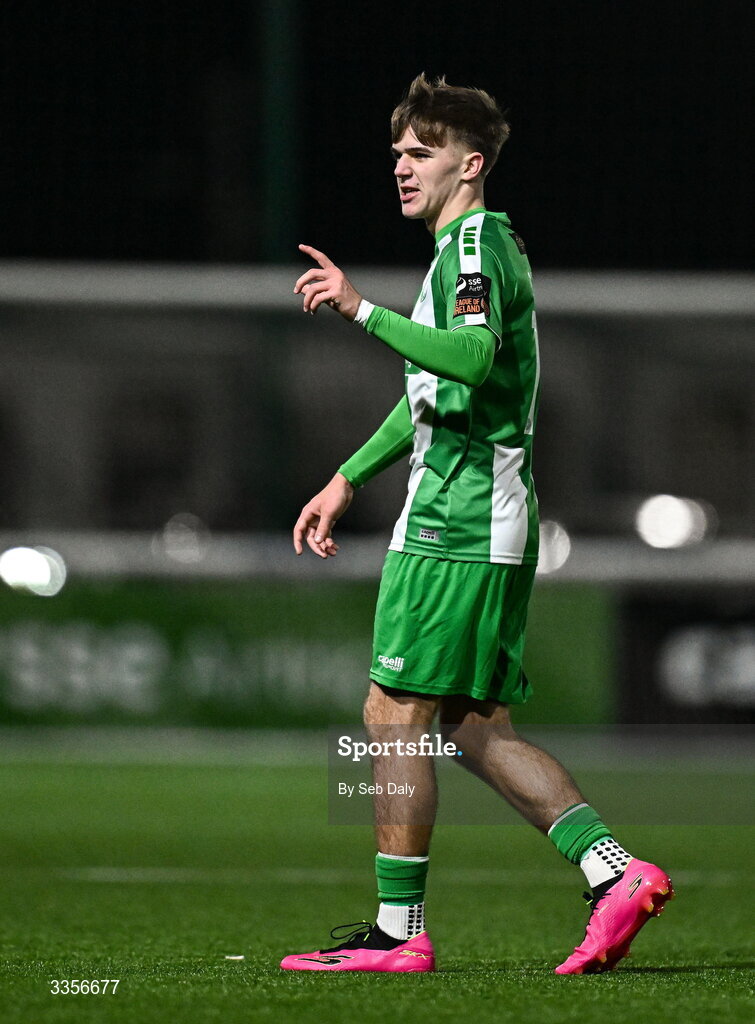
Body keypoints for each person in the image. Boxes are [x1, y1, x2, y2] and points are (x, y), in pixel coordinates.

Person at [281, 73, 673, 975]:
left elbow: (467, 357)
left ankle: (395, 932)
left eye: (420, 151)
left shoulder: (471, 245)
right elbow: (433, 397)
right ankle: (615, 875)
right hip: (482, 517)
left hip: (455, 523)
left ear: (471, 162)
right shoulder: (465, 248)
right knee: (467, 727)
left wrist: (360, 309)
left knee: (393, 714)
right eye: (396, 152)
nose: (401, 165)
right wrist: (347, 477)